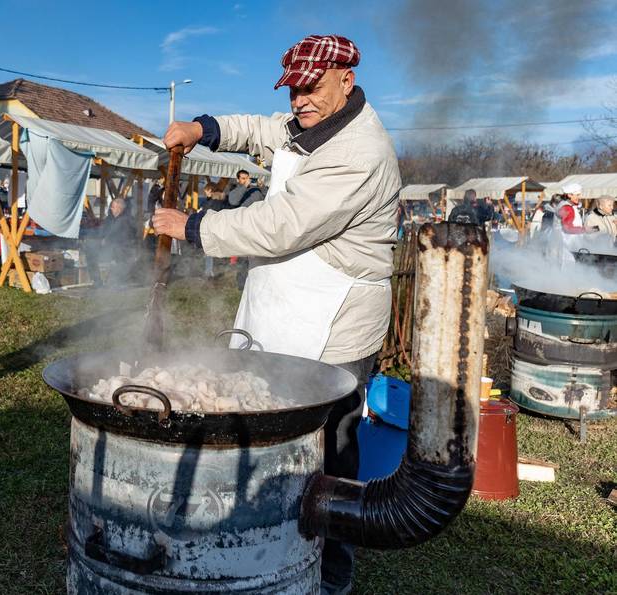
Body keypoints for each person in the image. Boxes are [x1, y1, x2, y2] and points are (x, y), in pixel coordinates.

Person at [153, 34, 400, 594]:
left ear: (346, 81)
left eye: (312, 87)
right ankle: (264, 541)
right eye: (293, 90)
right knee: (269, 433)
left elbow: (279, 225)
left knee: (331, 450)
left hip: (335, 324)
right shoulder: (308, 125)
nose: (299, 100)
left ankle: (330, 571)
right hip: (284, 306)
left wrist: (192, 226)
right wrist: (203, 129)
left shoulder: (359, 153)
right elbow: (262, 131)